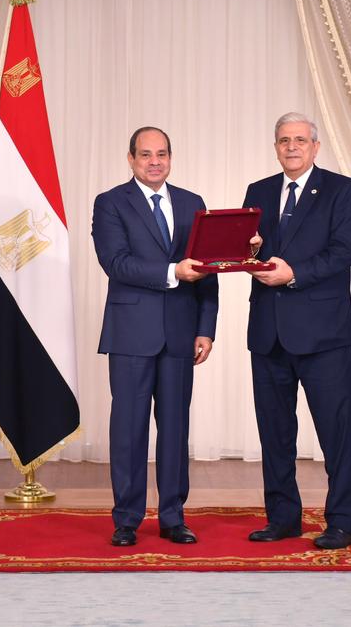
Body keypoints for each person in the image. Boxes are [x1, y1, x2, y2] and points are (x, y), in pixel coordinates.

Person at [92, 126, 218, 547]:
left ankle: (172, 517)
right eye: (145, 154)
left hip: (181, 333)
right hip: (131, 333)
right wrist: (172, 272)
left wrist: (206, 328)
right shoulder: (111, 203)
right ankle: (126, 520)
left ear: (170, 158)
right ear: (131, 159)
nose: (154, 162)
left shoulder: (192, 203)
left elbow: (208, 271)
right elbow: (116, 263)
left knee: (175, 429)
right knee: (128, 430)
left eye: (161, 154)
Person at [242, 112, 351, 550]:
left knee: (337, 432)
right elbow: (245, 248)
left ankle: (343, 521)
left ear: (315, 146)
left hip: (323, 334)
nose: (291, 147)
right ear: (275, 147)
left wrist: (293, 273)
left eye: (299, 140)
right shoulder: (258, 191)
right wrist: (246, 253)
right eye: (283, 140)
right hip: (268, 332)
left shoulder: (342, 190)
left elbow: (342, 253)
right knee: (274, 434)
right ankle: (283, 518)